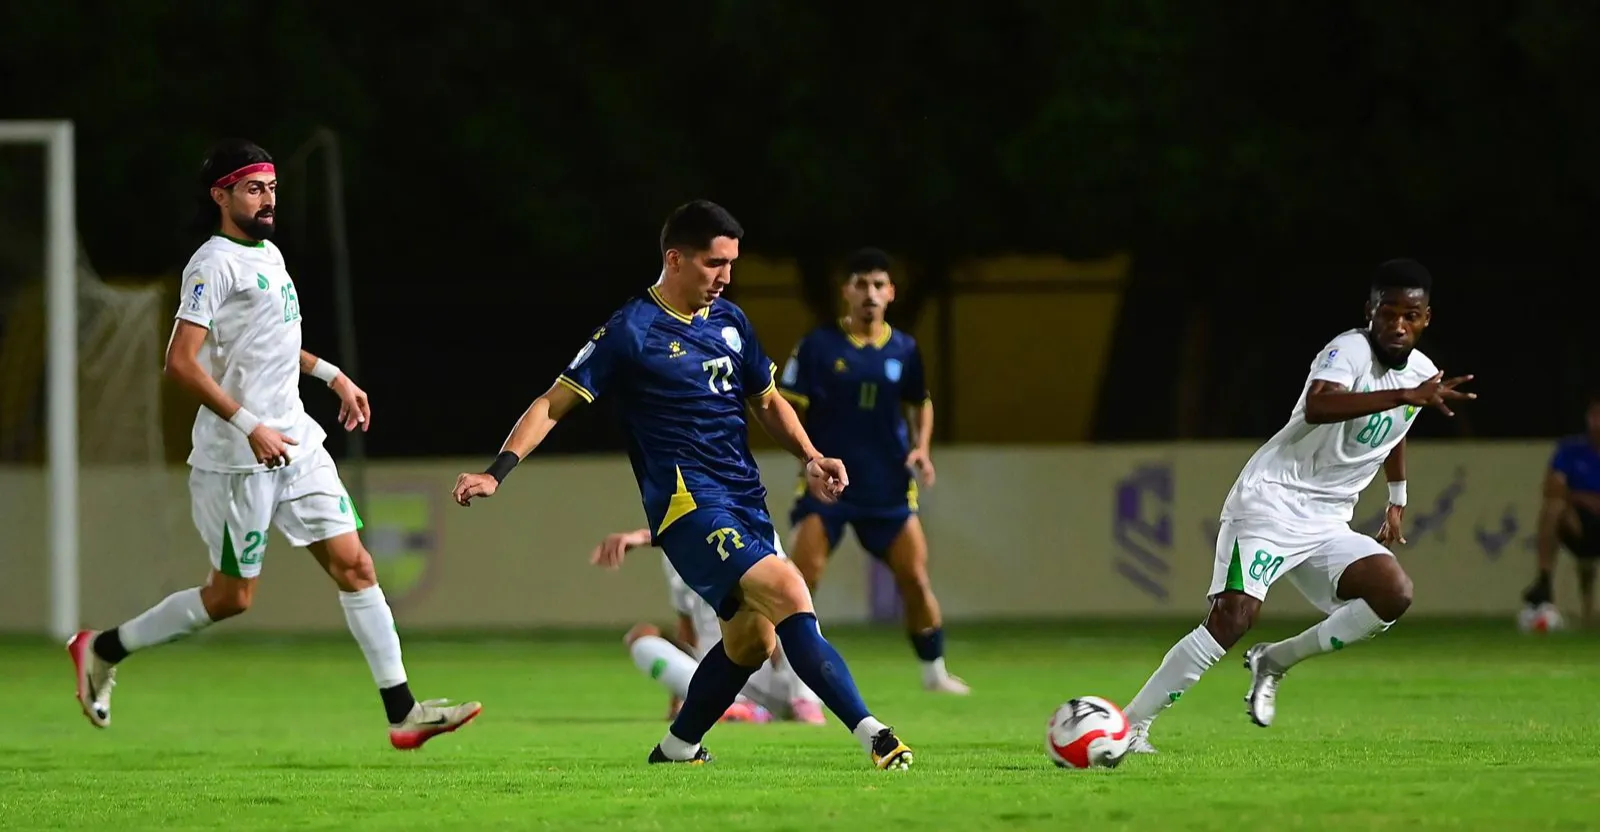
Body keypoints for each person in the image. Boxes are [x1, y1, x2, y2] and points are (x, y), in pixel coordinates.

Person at [452, 200, 913, 770]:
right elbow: (553, 402)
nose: (725, 278)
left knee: (753, 642)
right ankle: (873, 733)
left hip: (744, 499)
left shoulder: (731, 323)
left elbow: (766, 402)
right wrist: (498, 472)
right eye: (714, 264)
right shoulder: (631, 331)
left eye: (731, 264)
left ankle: (676, 748)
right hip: (687, 505)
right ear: (675, 258)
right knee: (792, 591)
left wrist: (811, 456)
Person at [66, 138, 481, 750]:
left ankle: (403, 713)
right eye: (254, 188)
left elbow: (275, 345)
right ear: (222, 195)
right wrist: (248, 426)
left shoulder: (270, 254)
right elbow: (180, 363)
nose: (268, 199)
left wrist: (332, 376)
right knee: (231, 598)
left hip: (297, 442)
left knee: (356, 564)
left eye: (272, 188)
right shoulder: (212, 264)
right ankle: (102, 648)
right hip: (238, 458)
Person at [1120, 259, 1475, 754]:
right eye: (1388, 311)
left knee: (1392, 593)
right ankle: (1129, 726)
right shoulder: (1347, 350)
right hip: (1271, 500)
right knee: (1232, 617)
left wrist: (1397, 499)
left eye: (1409, 315)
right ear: (1369, 311)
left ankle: (1276, 661)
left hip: (1329, 520)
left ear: (1426, 318)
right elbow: (1319, 405)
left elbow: (1396, 429)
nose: (1398, 323)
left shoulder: (1420, 374)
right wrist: (1405, 394)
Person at [778, 248, 967, 694]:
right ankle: (790, 677)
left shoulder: (904, 348)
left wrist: (922, 448)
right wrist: (807, 459)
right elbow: (785, 408)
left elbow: (920, 402)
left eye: (879, 285)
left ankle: (934, 672)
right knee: (800, 581)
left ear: (891, 293)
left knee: (916, 580)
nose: (870, 293)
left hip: (888, 488)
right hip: (827, 489)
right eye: (861, 284)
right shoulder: (817, 346)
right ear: (846, 291)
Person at [593, 528, 825, 724]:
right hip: (720, 677)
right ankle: (734, 707)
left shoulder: (753, 528)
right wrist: (679, 698)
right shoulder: (675, 554)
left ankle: (804, 700)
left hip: (770, 671)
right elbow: (687, 628)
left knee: (792, 601)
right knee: (642, 638)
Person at [1523, 391, 1600, 625]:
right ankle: (1544, 581)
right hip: (1578, 522)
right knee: (1553, 508)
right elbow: (1553, 488)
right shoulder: (1570, 450)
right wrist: (1584, 499)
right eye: (1595, 415)